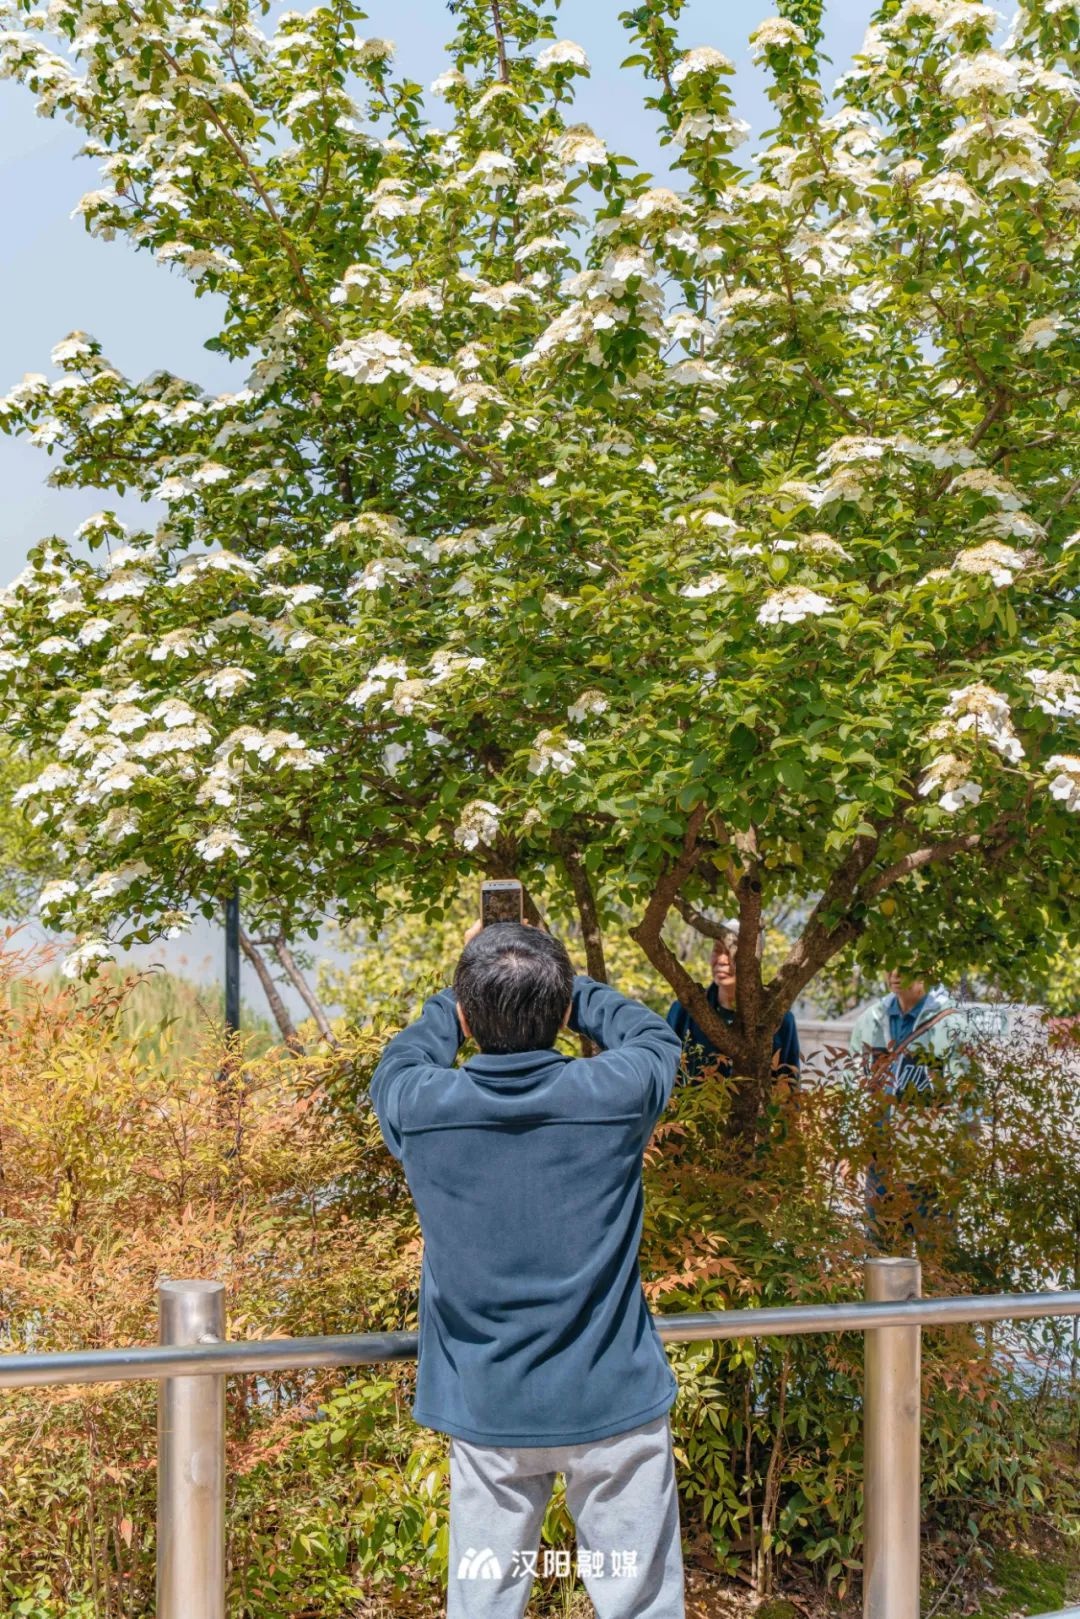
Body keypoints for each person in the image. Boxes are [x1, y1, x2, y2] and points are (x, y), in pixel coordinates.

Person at [369, 920, 687, 1619]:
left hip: (487, 1408)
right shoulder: (614, 1093)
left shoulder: (422, 1105)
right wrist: (575, 992)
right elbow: (657, 1037)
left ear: (465, 1014)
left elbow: (399, 1059)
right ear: (562, 1006)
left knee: (483, 1603)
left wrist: (453, 999)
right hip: (613, 1400)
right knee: (640, 1604)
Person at [848, 968, 967, 1244]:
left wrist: (962, 1155)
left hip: (931, 1163)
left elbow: (967, 1095)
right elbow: (851, 1085)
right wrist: (849, 1146)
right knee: (881, 1252)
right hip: (880, 1161)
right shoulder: (871, 1020)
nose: (894, 973)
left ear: (926, 969)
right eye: (889, 965)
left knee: (936, 1251)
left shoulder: (949, 1024)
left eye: (904, 965)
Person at [665, 930, 800, 1084]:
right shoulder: (684, 1011)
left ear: (754, 962)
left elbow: (789, 1088)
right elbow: (664, 1073)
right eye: (717, 950)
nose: (722, 960)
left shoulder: (779, 1018)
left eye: (732, 952)